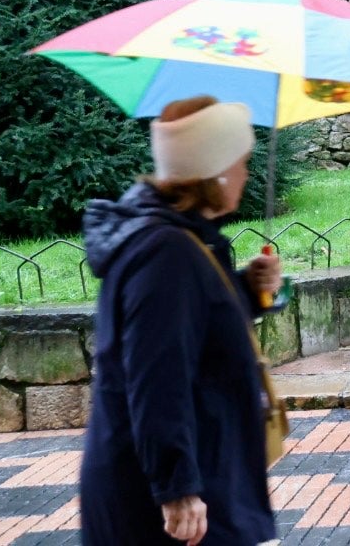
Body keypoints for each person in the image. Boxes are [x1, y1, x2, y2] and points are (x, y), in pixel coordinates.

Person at [80, 96, 283, 546]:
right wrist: (177, 489)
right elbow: (157, 375)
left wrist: (247, 291)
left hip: (196, 472)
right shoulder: (166, 253)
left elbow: (193, 331)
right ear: (216, 171)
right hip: (168, 501)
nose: (247, 174)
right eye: (242, 162)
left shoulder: (179, 241)